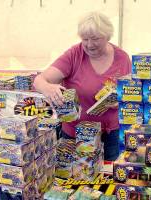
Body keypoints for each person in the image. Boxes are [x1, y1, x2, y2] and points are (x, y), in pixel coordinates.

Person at [33, 11, 131, 161]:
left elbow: (129, 92)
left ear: (107, 36)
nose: (89, 44)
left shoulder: (122, 58)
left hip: (111, 135)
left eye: (95, 39)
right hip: (75, 135)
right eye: (85, 39)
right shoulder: (74, 55)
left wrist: (121, 100)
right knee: (76, 180)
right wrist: (48, 88)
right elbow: (39, 80)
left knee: (108, 177)